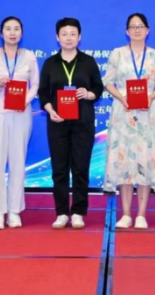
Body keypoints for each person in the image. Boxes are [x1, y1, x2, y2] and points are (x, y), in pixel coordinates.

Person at [102, 13, 155, 229]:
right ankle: (126, 214)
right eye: (133, 26)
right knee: (125, 162)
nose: (137, 30)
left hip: (147, 114)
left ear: (148, 30)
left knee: (145, 161)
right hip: (123, 113)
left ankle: (141, 215)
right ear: (126, 31)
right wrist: (122, 98)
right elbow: (108, 82)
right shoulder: (118, 54)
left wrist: (150, 96)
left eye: (141, 26)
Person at [39, 17, 105, 228]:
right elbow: (43, 92)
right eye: (64, 34)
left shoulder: (88, 62)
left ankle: (78, 211)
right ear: (57, 37)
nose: (68, 38)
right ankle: (61, 213)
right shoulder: (50, 63)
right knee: (59, 169)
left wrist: (89, 94)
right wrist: (50, 110)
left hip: (83, 122)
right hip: (57, 122)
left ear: (79, 37)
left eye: (73, 34)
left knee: (80, 168)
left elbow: (98, 88)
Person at [0, 16, 41, 229]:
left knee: (18, 162)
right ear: (1, 33)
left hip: (21, 114)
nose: (12, 33)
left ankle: (14, 211)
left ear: (21, 33)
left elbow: (35, 85)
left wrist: (25, 101)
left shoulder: (29, 56)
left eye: (16, 29)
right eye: (8, 29)